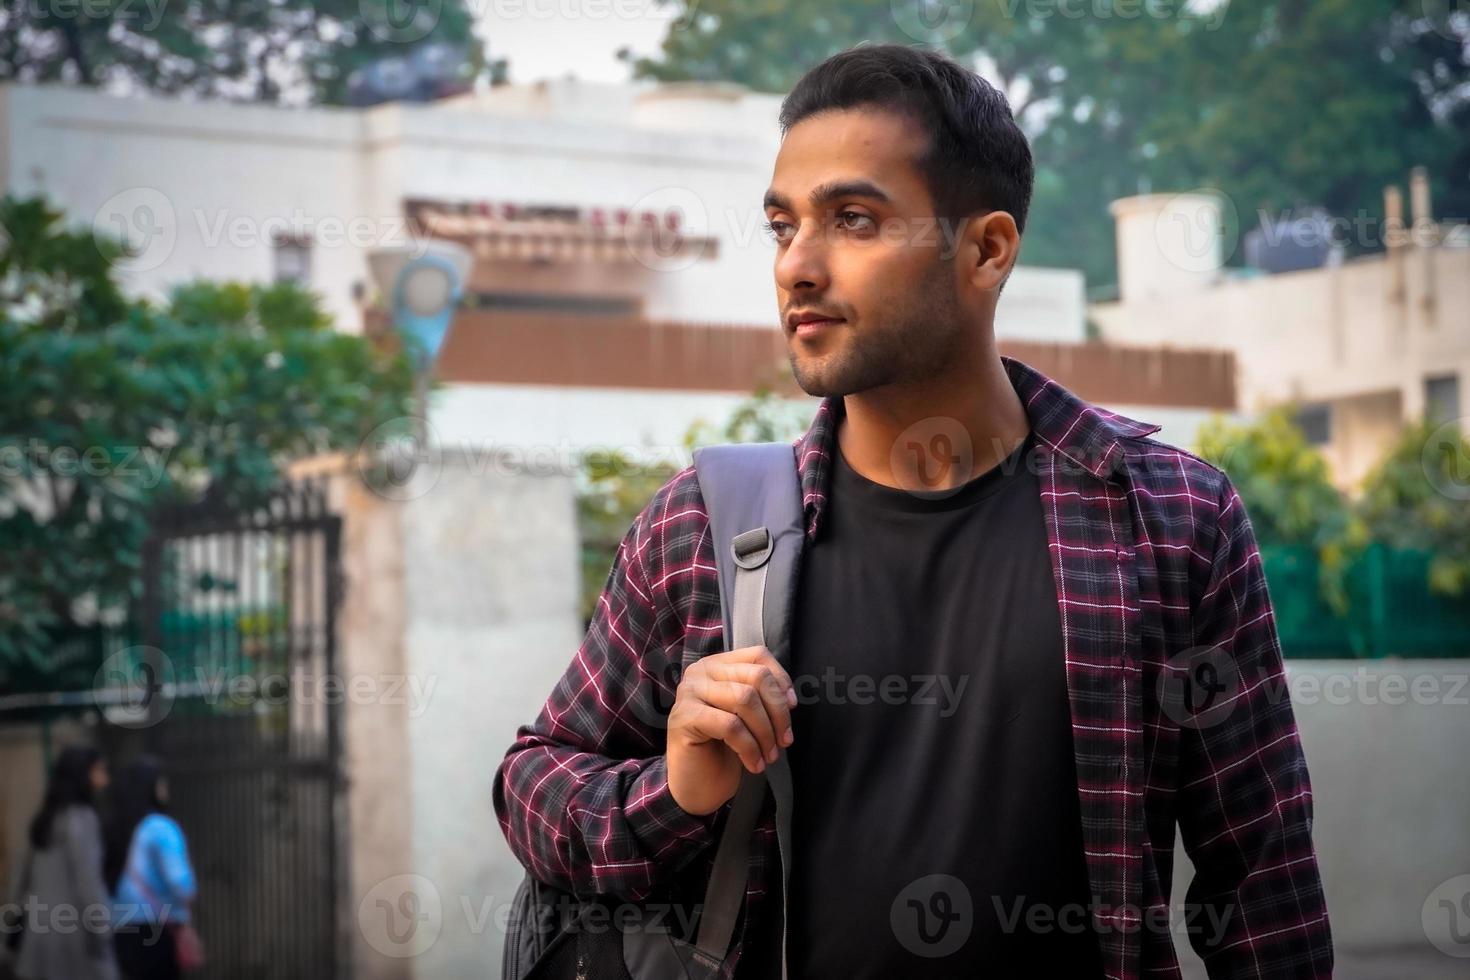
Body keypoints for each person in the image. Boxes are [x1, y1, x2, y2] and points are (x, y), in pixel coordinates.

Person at [494, 44, 1333, 979]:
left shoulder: (1170, 515)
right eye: (782, 227)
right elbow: (531, 783)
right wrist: (676, 791)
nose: (797, 269)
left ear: (986, 249)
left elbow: (1262, 886)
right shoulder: (707, 526)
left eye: (853, 220)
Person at [13, 745, 117, 980]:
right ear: (83, 774)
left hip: (39, 934)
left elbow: (19, 880)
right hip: (74, 936)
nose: (105, 779)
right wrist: (102, 929)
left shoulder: (46, 818)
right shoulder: (81, 818)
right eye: (99, 770)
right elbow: (88, 881)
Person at [105, 757, 197, 980]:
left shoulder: (112, 827)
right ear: (151, 787)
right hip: (158, 931)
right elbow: (181, 885)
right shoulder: (160, 827)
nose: (165, 787)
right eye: (160, 781)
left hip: (121, 931)